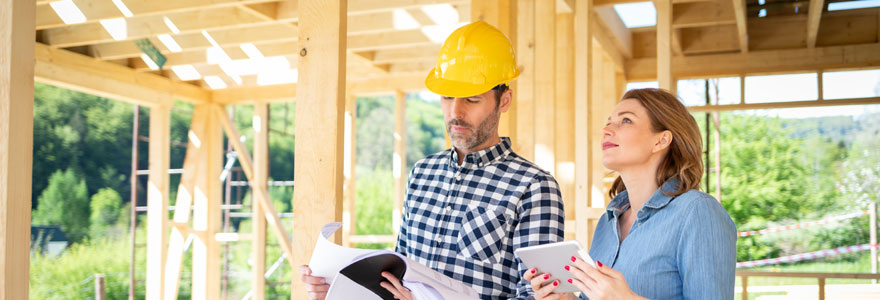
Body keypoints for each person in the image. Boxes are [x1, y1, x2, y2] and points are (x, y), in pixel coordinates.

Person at [299, 21, 566, 300]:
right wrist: (337, 288)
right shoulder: (422, 172)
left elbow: (538, 297)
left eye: (471, 99)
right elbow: (395, 280)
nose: (455, 112)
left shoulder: (533, 187)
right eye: (447, 97)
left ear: (504, 100)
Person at [524, 88, 736, 300]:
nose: (606, 129)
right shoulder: (608, 221)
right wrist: (564, 298)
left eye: (626, 120)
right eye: (609, 121)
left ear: (661, 141)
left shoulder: (698, 212)